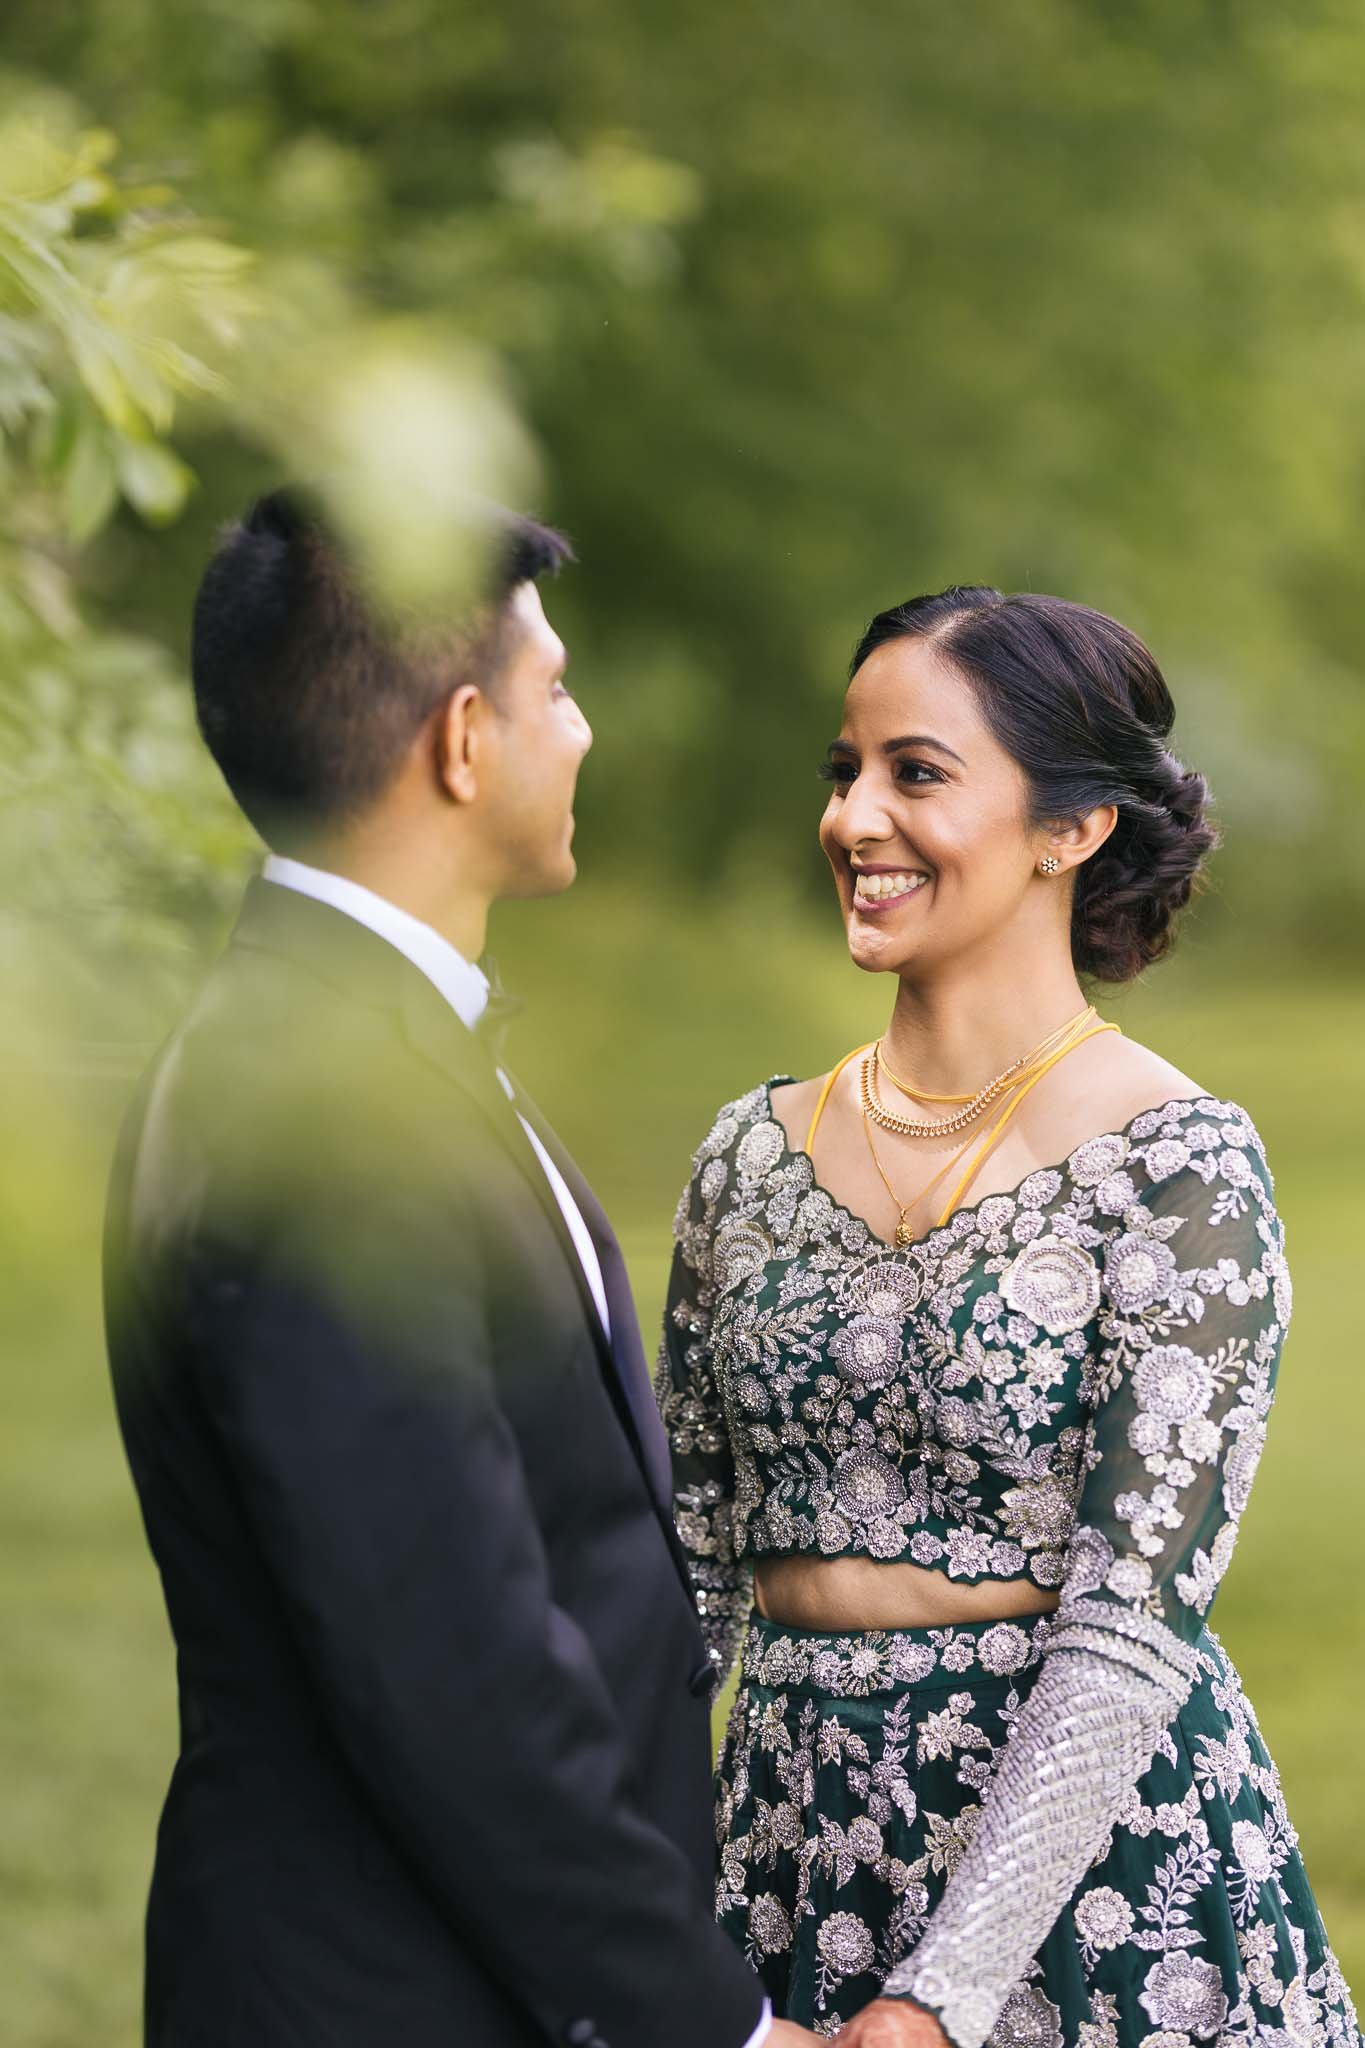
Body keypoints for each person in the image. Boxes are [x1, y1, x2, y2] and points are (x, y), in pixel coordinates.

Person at [103, 490, 815, 2048]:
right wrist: (716, 2028)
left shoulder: (358, 1050)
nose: (583, 730)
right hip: (386, 1990)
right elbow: (450, 1662)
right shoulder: (316, 1114)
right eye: (556, 691)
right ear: (464, 738)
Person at [655, 587, 1361, 2047]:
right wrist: (637, 1908)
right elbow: (683, 1575)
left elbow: (1131, 1622)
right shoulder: (745, 1154)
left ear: (1070, 827)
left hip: (1088, 1885)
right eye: (843, 772)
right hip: (783, 1855)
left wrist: (940, 1993)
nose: (855, 817)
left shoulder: (1175, 1164)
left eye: (915, 773)